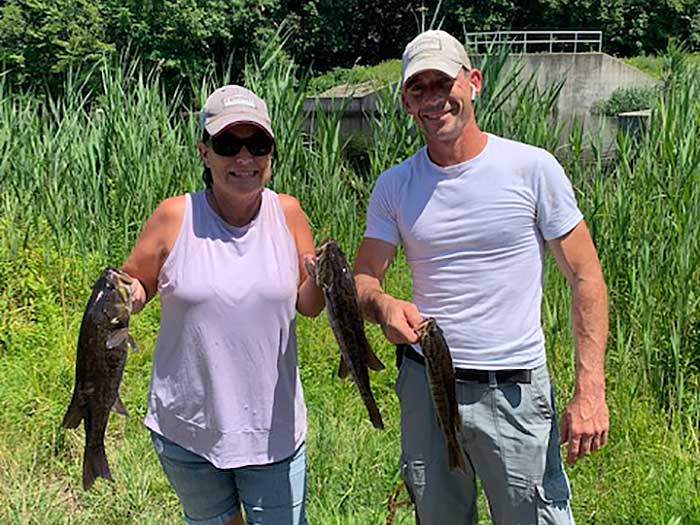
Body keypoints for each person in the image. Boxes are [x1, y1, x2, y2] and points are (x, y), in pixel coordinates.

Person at [353, 30, 609, 525]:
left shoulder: (533, 168)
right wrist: (382, 306)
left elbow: (586, 277)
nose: (433, 99)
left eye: (442, 82)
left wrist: (590, 388)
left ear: (473, 83)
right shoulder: (395, 185)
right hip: (425, 386)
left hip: (512, 389)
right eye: (418, 88)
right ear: (405, 100)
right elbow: (365, 277)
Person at [121, 85, 324, 525]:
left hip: (272, 430)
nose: (245, 159)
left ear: (272, 153)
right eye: (229, 144)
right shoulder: (175, 216)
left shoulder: (288, 213)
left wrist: (328, 281)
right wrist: (129, 296)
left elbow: (309, 304)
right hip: (187, 426)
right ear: (204, 152)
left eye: (259, 145)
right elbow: (137, 282)